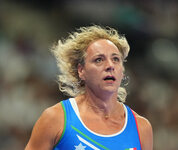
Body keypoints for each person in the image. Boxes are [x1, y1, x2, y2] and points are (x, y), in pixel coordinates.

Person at [25, 25, 153, 150]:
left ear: (122, 71)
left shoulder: (141, 128)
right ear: (81, 71)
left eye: (115, 59)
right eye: (99, 60)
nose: (110, 66)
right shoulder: (55, 119)